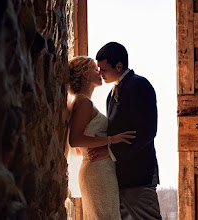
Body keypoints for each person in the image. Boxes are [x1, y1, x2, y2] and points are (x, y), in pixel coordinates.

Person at [88, 42, 162, 220]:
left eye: (103, 68)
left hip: (139, 175)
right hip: (119, 178)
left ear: (119, 66)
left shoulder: (140, 86)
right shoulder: (110, 95)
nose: (100, 73)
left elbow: (147, 132)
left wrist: (109, 151)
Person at [68, 56, 135, 220]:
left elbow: (78, 150)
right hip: (97, 172)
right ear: (85, 74)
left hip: (98, 168)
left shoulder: (84, 102)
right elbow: (75, 140)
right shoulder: (84, 103)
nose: (100, 72)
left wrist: (98, 145)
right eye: (95, 69)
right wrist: (111, 140)